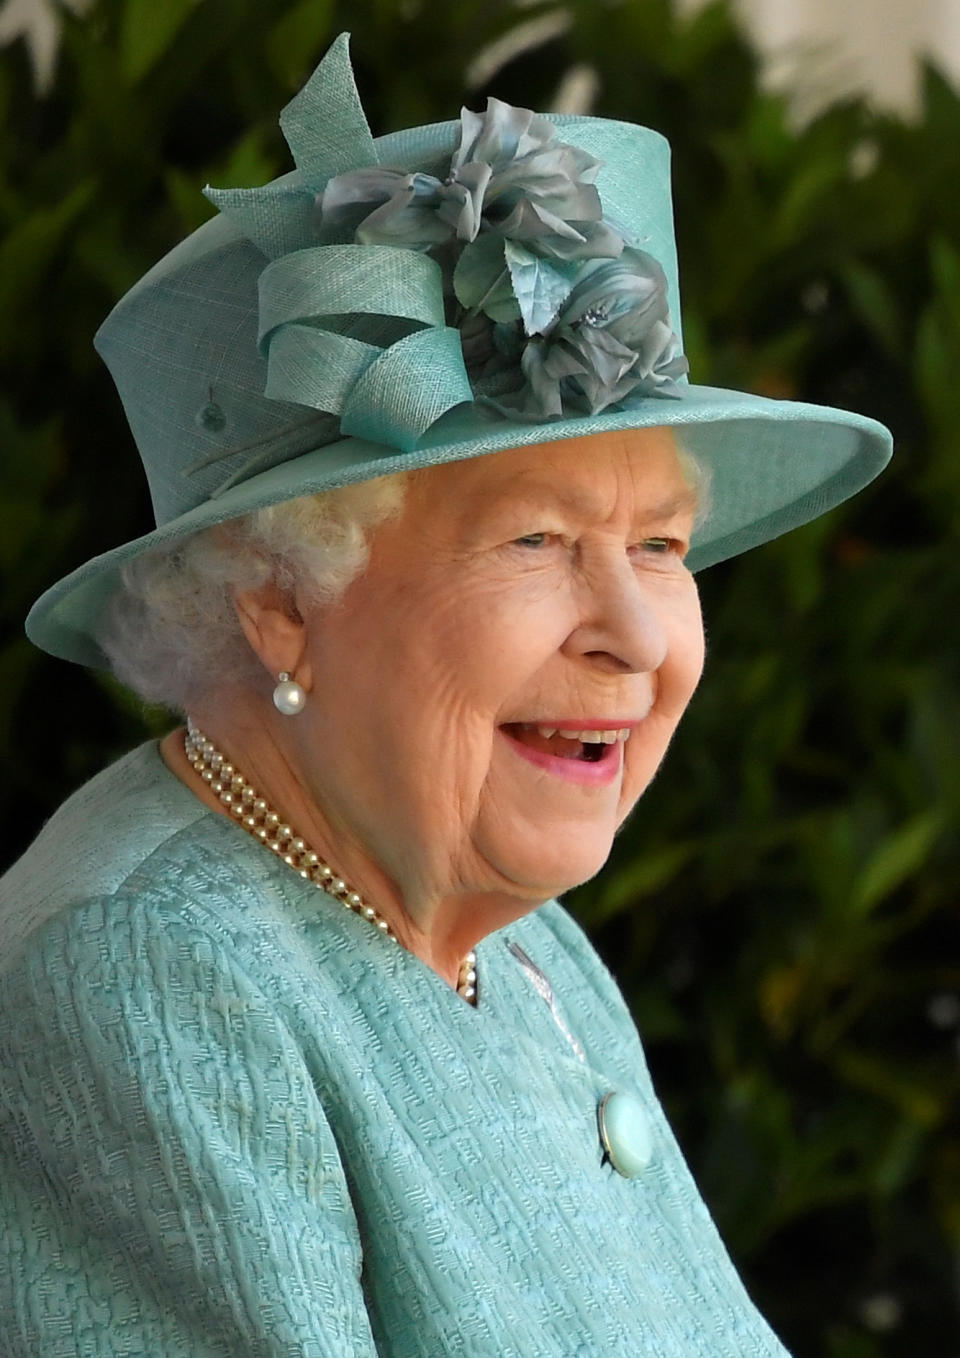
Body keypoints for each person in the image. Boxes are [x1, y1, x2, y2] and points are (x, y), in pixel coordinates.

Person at [0, 34, 891, 1358]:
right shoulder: (150, 976)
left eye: (662, 545)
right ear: (281, 601)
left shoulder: (503, 922)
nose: (640, 635)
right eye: (535, 540)